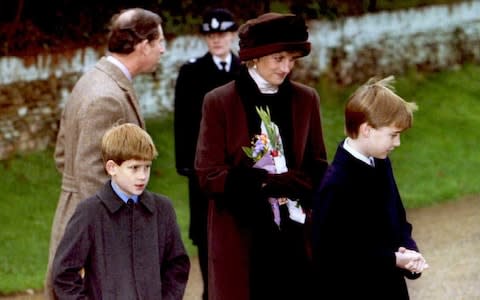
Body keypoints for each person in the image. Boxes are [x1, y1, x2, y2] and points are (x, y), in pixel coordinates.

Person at [195, 12, 329, 300]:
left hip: (295, 242)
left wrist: (298, 185)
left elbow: (318, 165)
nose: (286, 67)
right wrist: (263, 183)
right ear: (255, 57)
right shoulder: (219, 102)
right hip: (242, 241)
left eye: (292, 59)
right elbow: (208, 175)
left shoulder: (307, 99)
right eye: (278, 58)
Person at [45, 8, 165, 299]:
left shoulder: (95, 79)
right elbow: (91, 172)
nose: (163, 49)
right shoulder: (107, 96)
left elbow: (63, 155)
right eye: (160, 41)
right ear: (143, 45)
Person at [311, 76, 428, 299]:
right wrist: (393, 259)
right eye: (393, 135)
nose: (397, 143)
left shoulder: (381, 163)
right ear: (366, 129)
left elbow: (399, 219)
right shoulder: (336, 184)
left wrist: (409, 251)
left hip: (391, 287)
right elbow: (335, 256)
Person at [51, 123, 190, 299]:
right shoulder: (90, 213)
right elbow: (64, 274)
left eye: (147, 167)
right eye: (134, 168)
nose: (142, 175)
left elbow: (177, 265)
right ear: (112, 168)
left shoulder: (162, 209)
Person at [173, 8, 240, 300]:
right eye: (212, 35)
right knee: (205, 233)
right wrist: (187, 165)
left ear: (232, 36)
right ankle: (210, 293)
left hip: (238, 168)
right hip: (203, 169)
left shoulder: (244, 70)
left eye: (222, 34)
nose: (217, 40)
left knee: (238, 230)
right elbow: (183, 123)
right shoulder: (191, 73)